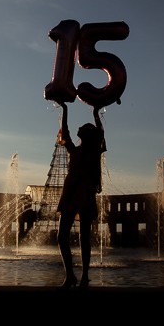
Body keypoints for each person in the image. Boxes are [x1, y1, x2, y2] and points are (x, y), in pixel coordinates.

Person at [55, 100, 106, 290]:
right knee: (62, 236)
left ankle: (84, 276)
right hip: (70, 193)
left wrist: (95, 113)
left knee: (85, 236)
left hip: (85, 193)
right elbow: (65, 132)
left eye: (83, 127)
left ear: (88, 134)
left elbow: (100, 132)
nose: (79, 128)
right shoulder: (74, 151)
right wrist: (64, 108)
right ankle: (70, 275)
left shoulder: (94, 151)